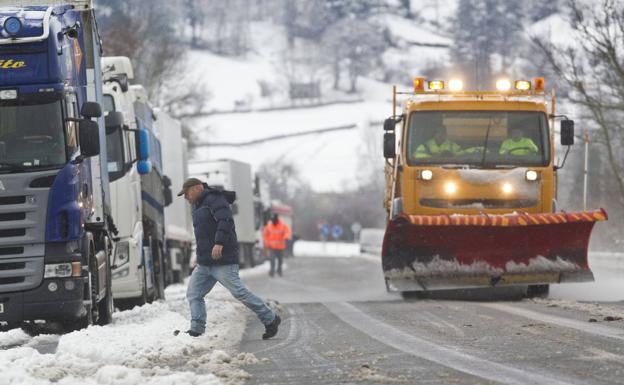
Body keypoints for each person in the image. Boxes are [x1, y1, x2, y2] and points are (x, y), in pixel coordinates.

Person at [178, 178, 280, 339]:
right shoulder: (197, 205)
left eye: (187, 193)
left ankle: (270, 318)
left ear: (197, 188)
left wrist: (219, 243)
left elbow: (225, 222)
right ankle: (196, 330)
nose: (185, 197)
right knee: (194, 294)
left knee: (239, 292)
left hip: (223, 259)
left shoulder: (215, 199)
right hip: (205, 262)